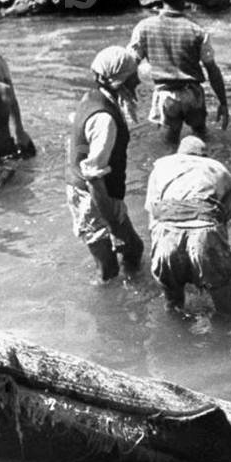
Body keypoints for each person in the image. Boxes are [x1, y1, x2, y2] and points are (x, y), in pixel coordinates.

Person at [66, 45, 145, 283]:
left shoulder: (91, 97)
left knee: (134, 250)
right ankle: (107, 311)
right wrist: (113, 225)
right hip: (92, 196)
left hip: (98, 190)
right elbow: (93, 177)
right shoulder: (105, 119)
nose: (138, 81)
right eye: (134, 76)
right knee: (108, 269)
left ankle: (134, 293)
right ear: (122, 80)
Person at [128, 0, 229, 148]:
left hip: (165, 95)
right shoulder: (197, 30)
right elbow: (212, 69)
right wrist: (223, 103)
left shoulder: (144, 27)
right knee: (201, 137)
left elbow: (130, 64)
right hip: (192, 94)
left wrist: (127, 96)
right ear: (184, 0)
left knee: (169, 142)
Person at [145, 136, 231, 318]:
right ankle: (224, 342)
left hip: (166, 235)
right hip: (205, 232)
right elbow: (226, 223)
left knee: (174, 308)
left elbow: (153, 218)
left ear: (179, 153)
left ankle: (175, 340)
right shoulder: (219, 170)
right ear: (205, 155)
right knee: (227, 309)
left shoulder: (161, 168)